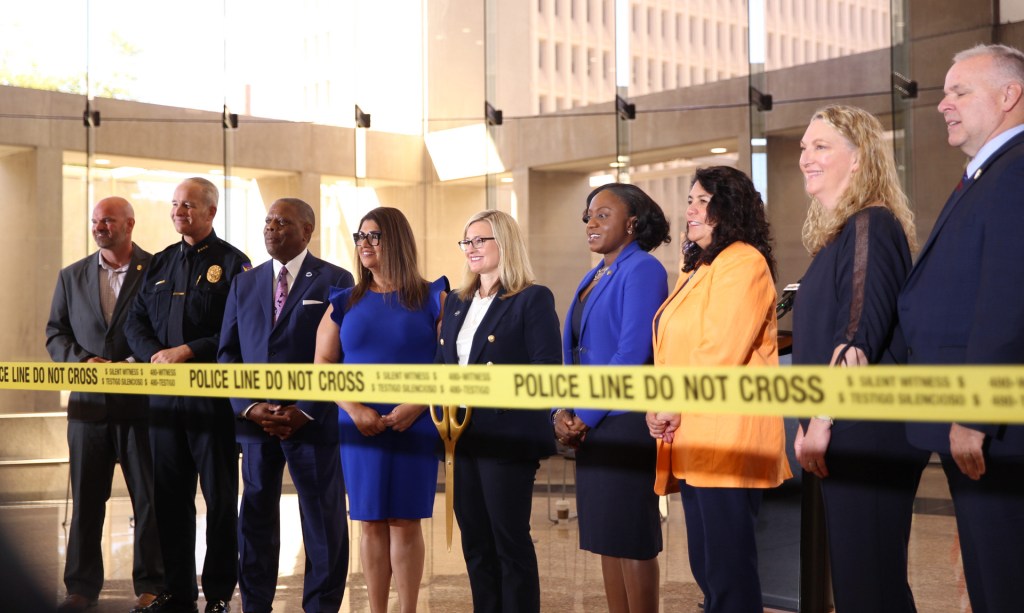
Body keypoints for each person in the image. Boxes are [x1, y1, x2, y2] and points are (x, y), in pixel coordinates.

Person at [898, 43, 1024, 613]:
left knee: (1003, 580)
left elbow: (1009, 298)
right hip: (973, 419)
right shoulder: (987, 174)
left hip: (995, 428)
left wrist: (974, 411)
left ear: (1008, 96)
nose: (943, 104)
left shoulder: (1016, 171)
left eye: (959, 91)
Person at [791, 105, 930, 612]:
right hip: (847, 427)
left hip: (866, 428)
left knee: (870, 585)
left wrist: (822, 418)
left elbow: (857, 336)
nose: (806, 157)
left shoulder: (871, 223)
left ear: (859, 159)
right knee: (860, 583)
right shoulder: (841, 234)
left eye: (821, 146)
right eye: (805, 147)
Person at [646, 166, 791, 613]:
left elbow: (719, 351)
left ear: (729, 208)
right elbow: (676, 347)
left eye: (702, 200)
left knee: (729, 572)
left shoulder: (744, 262)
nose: (690, 209)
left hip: (728, 436)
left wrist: (670, 404)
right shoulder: (697, 267)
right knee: (708, 569)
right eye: (689, 200)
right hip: (693, 433)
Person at [217, 198, 354, 613]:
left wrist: (304, 409)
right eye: (268, 221)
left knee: (322, 520)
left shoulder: (335, 279)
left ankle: (322, 606)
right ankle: (255, 605)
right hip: (255, 423)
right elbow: (228, 355)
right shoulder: (244, 283)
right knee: (255, 517)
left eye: (283, 222)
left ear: (307, 230)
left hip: (310, 421)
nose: (271, 228)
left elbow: (341, 355)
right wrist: (248, 406)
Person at [313, 206, 447, 613]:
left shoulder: (435, 296)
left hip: (416, 421)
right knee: (369, 521)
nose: (365, 244)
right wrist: (353, 409)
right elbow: (323, 366)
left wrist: (416, 404)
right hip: (358, 423)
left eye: (375, 235)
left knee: (405, 520)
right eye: (360, 236)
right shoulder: (343, 300)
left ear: (398, 241)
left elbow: (448, 363)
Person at [125, 177, 251, 613]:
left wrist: (189, 351)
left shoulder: (234, 264)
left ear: (211, 212)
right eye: (175, 204)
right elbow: (134, 323)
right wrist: (155, 354)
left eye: (189, 205)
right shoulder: (158, 265)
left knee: (218, 501)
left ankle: (217, 594)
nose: (180, 211)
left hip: (211, 404)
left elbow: (237, 332)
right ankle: (177, 591)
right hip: (164, 404)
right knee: (170, 500)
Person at [437, 210, 561, 613]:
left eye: (480, 241)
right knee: (475, 541)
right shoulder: (457, 302)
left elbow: (546, 370)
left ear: (503, 245)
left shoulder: (531, 298)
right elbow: (444, 367)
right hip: (461, 436)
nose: (471, 249)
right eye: (466, 242)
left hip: (506, 435)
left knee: (509, 541)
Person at [553, 183, 669, 613]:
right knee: (605, 536)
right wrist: (561, 410)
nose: (591, 222)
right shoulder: (595, 274)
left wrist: (585, 413)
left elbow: (632, 352)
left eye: (603, 214)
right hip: (591, 421)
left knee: (631, 538)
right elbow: (575, 353)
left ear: (633, 222)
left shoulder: (643, 269)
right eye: (588, 215)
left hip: (622, 420)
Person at [45, 197, 164, 613]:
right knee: (87, 502)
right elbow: (55, 334)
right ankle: (80, 588)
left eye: (108, 220)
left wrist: (133, 363)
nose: (100, 227)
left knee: (150, 502)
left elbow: (163, 328)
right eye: (95, 220)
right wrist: (81, 361)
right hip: (88, 410)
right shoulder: (71, 275)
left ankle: (152, 586)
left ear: (129, 224)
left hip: (143, 408)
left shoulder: (157, 270)